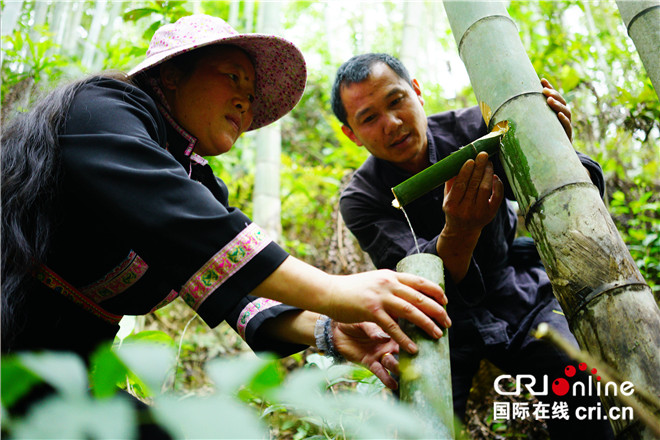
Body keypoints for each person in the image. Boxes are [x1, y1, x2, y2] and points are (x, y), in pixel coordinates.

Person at [1, 17, 451, 393]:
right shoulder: (100, 107)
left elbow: (241, 289)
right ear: (174, 74)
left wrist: (328, 329)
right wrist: (336, 291)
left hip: (60, 373)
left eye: (251, 94)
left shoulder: (200, 183)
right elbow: (181, 221)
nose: (245, 100)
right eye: (232, 77)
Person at [331, 53, 614, 438]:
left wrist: (552, 149)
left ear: (417, 92)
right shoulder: (360, 198)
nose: (392, 124)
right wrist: (459, 231)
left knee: (575, 380)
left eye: (396, 101)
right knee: (417, 423)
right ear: (352, 133)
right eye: (369, 118)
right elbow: (417, 281)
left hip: (514, 289)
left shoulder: (478, 128)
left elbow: (554, 194)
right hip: (436, 319)